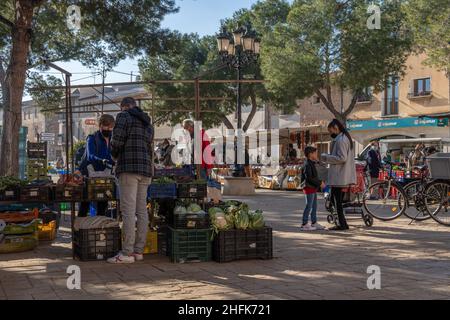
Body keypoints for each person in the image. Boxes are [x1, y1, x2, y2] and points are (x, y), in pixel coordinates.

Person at [108, 97, 153, 264]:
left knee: (128, 211)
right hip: (146, 170)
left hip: (128, 167)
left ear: (124, 106)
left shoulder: (123, 116)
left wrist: (114, 156)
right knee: (141, 210)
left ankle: (126, 252)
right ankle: (138, 251)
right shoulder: (148, 122)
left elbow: (116, 141)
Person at [321, 119, 356, 231]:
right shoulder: (344, 138)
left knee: (337, 202)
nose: (330, 133)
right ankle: (342, 223)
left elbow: (342, 158)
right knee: (337, 201)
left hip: (339, 176)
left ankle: (342, 224)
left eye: (331, 130)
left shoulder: (341, 140)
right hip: (340, 175)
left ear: (336, 128)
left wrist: (327, 157)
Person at [78, 114, 115, 217]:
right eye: (106, 126)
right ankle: (80, 228)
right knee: (85, 203)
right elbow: (91, 156)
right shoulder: (92, 138)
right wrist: (103, 160)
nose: (108, 129)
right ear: (100, 126)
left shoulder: (113, 139)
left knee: (102, 203)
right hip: (89, 175)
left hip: (105, 176)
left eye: (111, 126)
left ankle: (99, 227)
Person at [301, 146, 326, 231]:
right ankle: (304, 223)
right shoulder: (307, 164)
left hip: (313, 187)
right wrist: (320, 183)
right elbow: (309, 178)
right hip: (309, 187)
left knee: (314, 206)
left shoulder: (311, 163)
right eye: (315, 153)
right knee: (309, 206)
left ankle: (314, 222)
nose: (316, 154)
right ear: (310, 154)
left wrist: (318, 161)